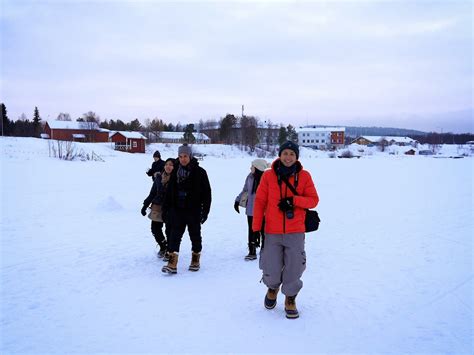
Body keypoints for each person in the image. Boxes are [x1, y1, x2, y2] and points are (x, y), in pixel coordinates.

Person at [252, 141, 319, 319]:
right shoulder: (268, 176)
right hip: (272, 231)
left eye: (292, 154)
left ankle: (290, 297)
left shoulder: (304, 176)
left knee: (294, 267)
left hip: (295, 231)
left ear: (296, 157)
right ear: (279, 155)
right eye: (285, 153)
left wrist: (294, 201)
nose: (288, 157)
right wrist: (256, 227)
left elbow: (313, 200)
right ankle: (272, 288)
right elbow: (259, 203)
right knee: (271, 265)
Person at [161, 144, 212, 274]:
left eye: (185, 156)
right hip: (177, 210)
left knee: (195, 236)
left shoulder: (200, 172)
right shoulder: (175, 172)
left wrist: (205, 212)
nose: (183, 159)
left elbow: (207, 193)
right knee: (174, 236)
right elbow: (169, 192)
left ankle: (195, 260)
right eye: (180, 156)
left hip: (193, 210)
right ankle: (172, 263)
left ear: (190, 156)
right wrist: (166, 209)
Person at [234, 159, 269, 261]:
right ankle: (252, 251)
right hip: (251, 210)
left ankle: (265, 250)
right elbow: (245, 190)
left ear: (257, 167)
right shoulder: (250, 177)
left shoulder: (267, 179)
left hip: (264, 211)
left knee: (264, 231)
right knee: (251, 230)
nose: (250, 168)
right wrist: (237, 200)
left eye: (252, 166)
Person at [141, 158, 175, 260]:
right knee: (155, 229)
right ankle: (163, 246)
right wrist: (145, 205)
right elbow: (152, 193)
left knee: (170, 230)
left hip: (170, 207)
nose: (168, 166)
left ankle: (170, 250)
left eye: (171, 165)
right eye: (167, 164)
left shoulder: (177, 178)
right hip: (158, 206)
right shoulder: (158, 177)